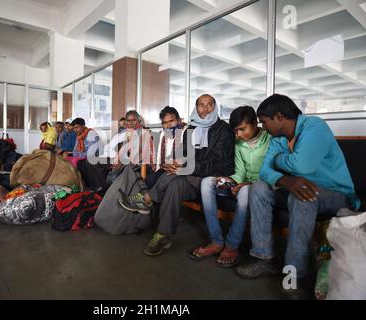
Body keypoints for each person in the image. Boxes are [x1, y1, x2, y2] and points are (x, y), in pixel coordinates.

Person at [236, 94, 360, 294]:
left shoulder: (315, 127)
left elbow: (303, 166)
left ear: (279, 117)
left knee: (301, 195)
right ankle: (264, 257)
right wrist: (285, 179)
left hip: (337, 194)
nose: (263, 127)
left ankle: (295, 273)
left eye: (265, 122)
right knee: (258, 187)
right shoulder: (278, 139)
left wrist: (278, 161)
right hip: (297, 188)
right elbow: (264, 172)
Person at [119, 94, 235, 256]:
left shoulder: (223, 130)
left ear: (215, 107)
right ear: (196, 107)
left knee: (174, 174)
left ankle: (146, 199)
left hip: (212, 178)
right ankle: (163, 235)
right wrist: (179, 163)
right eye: (201, 105)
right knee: (175, 184)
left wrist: (185, 166)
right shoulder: (192, 128)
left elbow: (218, 161)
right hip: (191, 178)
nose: (206, 109)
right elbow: (185, 153)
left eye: (210, 105)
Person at [189, 106, 270, 267]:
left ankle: (232, 245)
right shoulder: (239, 143)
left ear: (255, 123)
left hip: (261, 186)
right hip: (241, 183)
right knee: (207, 182)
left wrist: (248, 183)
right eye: (236, 131)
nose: (238, 135)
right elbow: (240, 172)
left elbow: (273, 171)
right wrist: (228, 179)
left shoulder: (270, 139)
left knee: (246, 191)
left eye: (242, 129)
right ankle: (216, 240)